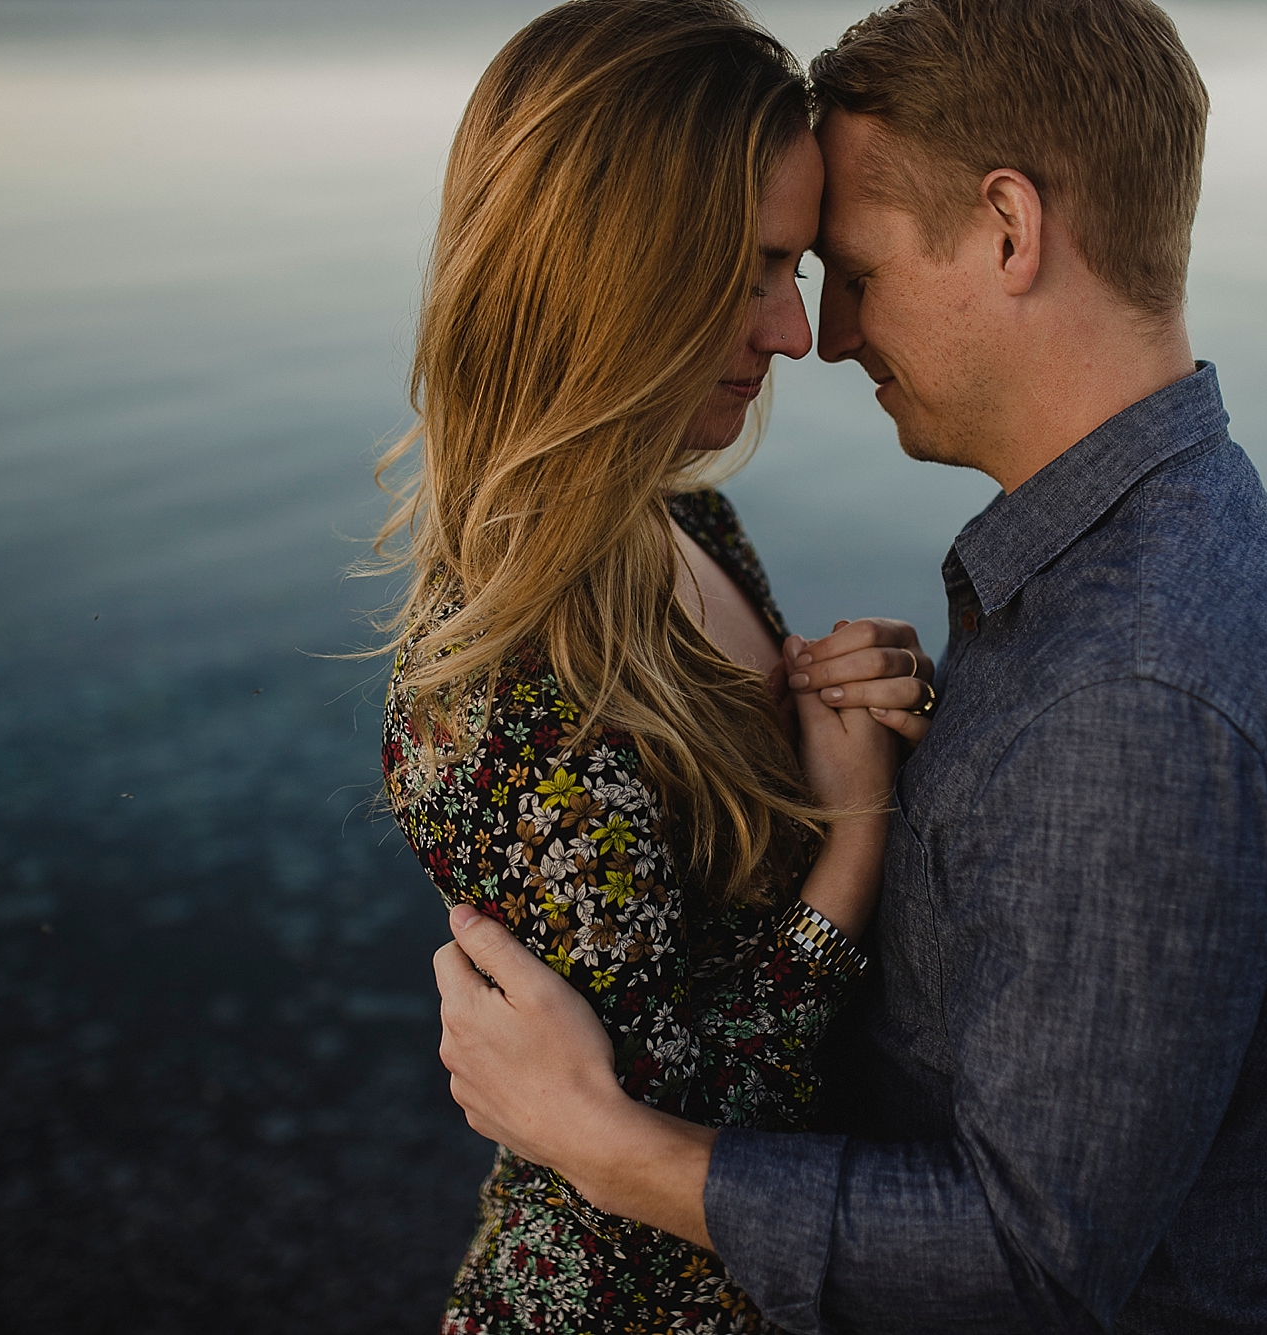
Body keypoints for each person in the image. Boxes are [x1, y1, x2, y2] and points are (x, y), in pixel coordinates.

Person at [432, 0, 1267, 1332]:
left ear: (1009, 228)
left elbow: (1030, 1267)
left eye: (853, 271)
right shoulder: (1125, 583)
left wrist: (605, 1146)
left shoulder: (1133, 697)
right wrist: (942, 773)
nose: (823, 338)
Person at [372, 2, 937, 1330]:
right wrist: (855, 834)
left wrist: (862, 708)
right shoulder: (498, 691)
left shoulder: (686, 521)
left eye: (794, 271)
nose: (796, 337)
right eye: (752, 273)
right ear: (608, 268)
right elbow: (675, 1136)